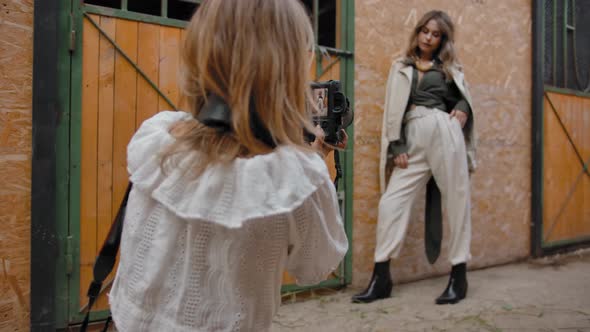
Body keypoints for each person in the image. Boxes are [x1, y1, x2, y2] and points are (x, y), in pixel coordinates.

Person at [108, 0, 349, 330]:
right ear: (289, 68)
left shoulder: (159, 141)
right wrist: (311, 164)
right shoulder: (298, 177)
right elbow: (315, 266)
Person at [352, 10, 476, 305]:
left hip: (444, 132)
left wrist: (462, 108)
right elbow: (393, 111)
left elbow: (463, 97)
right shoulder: (401, 65)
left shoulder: (449, 67)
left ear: (442, 38)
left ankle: (459, 276)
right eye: (425, 31)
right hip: (412, 137)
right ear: (418, 31)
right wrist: (397, 146)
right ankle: (381, 278)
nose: (429, 38)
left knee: (458, 200)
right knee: (390, 204)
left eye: (435, 34)